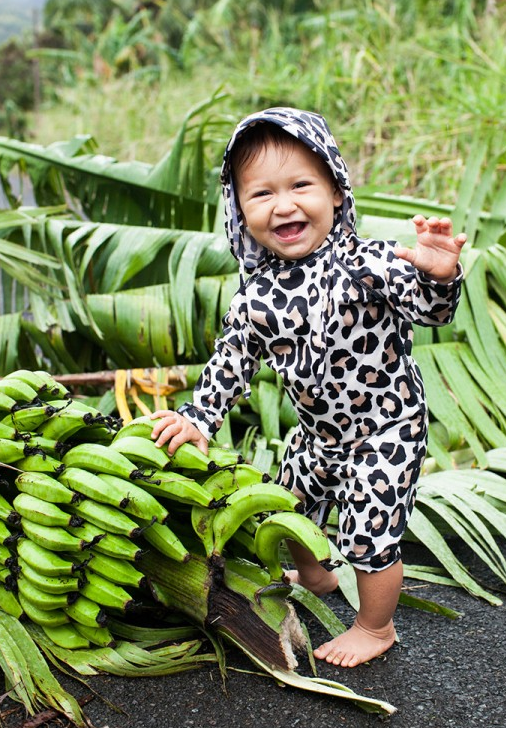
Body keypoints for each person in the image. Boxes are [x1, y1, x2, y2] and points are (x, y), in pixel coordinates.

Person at [150, 107, 466, 668]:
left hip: (387, 425)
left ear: (337, 193)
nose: (283, 204)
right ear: (240, 211)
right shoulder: (255, 296)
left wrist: (438, 276)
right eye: (261, 194)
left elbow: (430, 311)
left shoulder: (370, 263)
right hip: (319, 433)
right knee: (290, 502)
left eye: (301, 185)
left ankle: (375, 626)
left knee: (371, 531)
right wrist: (199, 417)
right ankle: (318, 575)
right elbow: (232, 362)